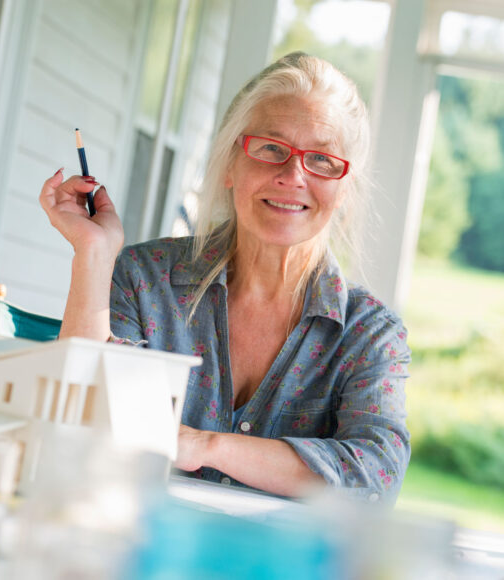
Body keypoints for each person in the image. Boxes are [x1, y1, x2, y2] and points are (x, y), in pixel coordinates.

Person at [40, 52, 410, 504]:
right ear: (231, 163)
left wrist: (204, 446)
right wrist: (93, 255)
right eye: (271, 148)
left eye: (322, 159)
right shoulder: (144, 279)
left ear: (343, 188)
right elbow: (76, 425)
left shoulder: (370, 334)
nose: (293, 175)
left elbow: (375, 478)